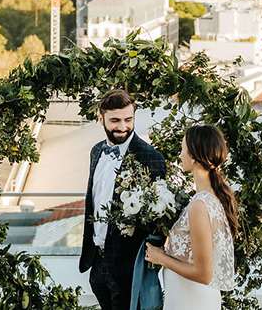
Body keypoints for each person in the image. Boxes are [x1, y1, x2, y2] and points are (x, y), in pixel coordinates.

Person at [79, 89, 166, 310]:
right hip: (97, 264)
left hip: (128, 269)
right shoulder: (96, 151)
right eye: (115, 120)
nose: (123, 126)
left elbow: (157, 220)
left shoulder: (151, 157)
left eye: (128, 119)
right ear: (101, 118)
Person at [144, 124, 237, 309]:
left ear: (194, 156)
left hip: (192, 299)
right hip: (187, 295)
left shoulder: (200, 205)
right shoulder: (209, 197)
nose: (180, 155)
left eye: (183, 149)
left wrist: (160, 257)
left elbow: (204, 273)